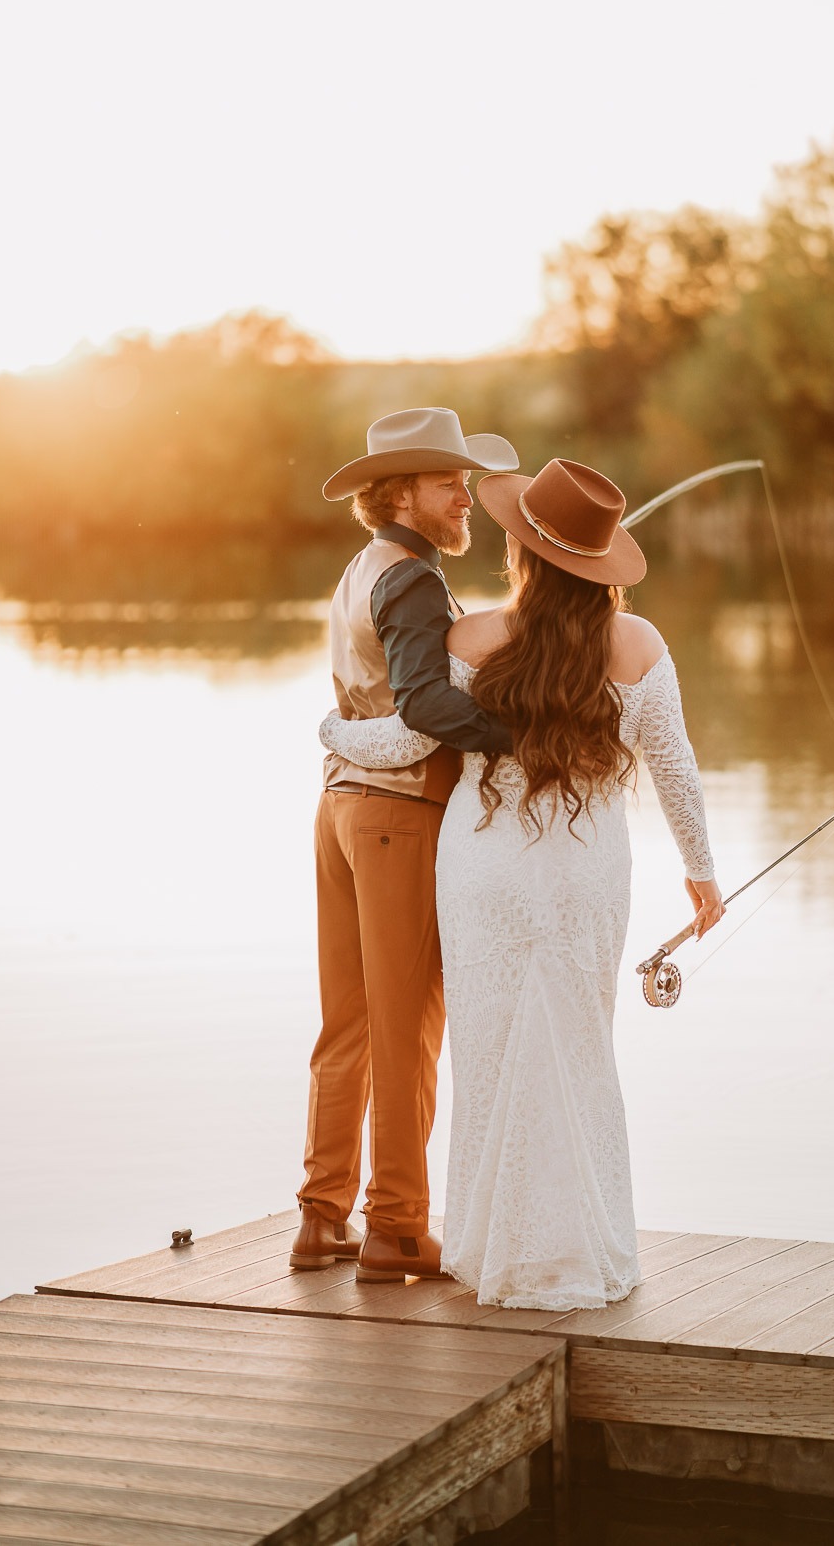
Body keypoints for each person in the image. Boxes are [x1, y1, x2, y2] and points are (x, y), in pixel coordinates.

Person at [322, 456, 724, 1309]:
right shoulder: (641, 645)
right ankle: (588, 1248)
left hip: (484, 871)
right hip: (586, 874)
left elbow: (405, 741)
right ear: (598, 560)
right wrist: (702, 872)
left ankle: (490, 1248)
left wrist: (330, 727)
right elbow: (677, 772)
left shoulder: (473, 640)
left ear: (523, 556)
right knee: (580, 1044)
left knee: (492, 1050)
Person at [292, 407, 518, 1283]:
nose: (465, 496)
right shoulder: (417, 580)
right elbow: (425, 706)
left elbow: (390, 695)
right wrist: (519, 735)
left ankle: (320, 1220)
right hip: (396, 821)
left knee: (345, 1024)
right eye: (447, 482)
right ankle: (394, 1228)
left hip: (341, 814)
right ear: (400, 493)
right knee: (408, 1026)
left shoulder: (363, 567)